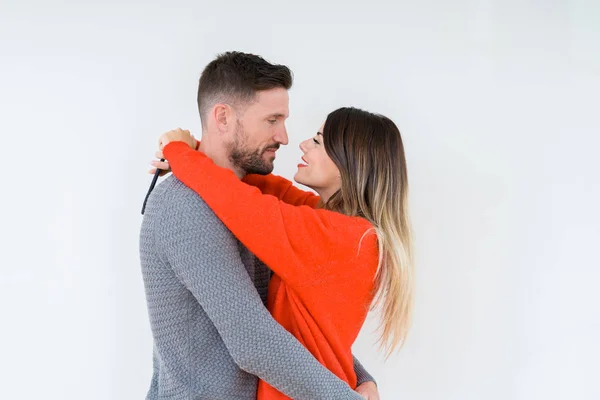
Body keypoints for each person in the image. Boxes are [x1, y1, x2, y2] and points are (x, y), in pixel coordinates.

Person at [140, 51, 378, 400]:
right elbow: (252, 337)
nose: (284, 136)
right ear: (223, 117)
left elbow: (298, 322)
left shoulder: (252, 205)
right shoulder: (183, 205)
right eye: (272, 120)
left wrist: (359, 376)